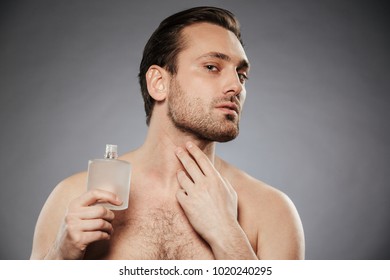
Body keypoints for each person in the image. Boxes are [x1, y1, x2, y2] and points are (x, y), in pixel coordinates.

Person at [30, 6, 305, 260]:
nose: (236, 86)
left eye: (241, 75)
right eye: (212, 67)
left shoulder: (272, 211)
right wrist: (59, 257)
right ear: (159, 83)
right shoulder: (75, 197)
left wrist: (227, 235)